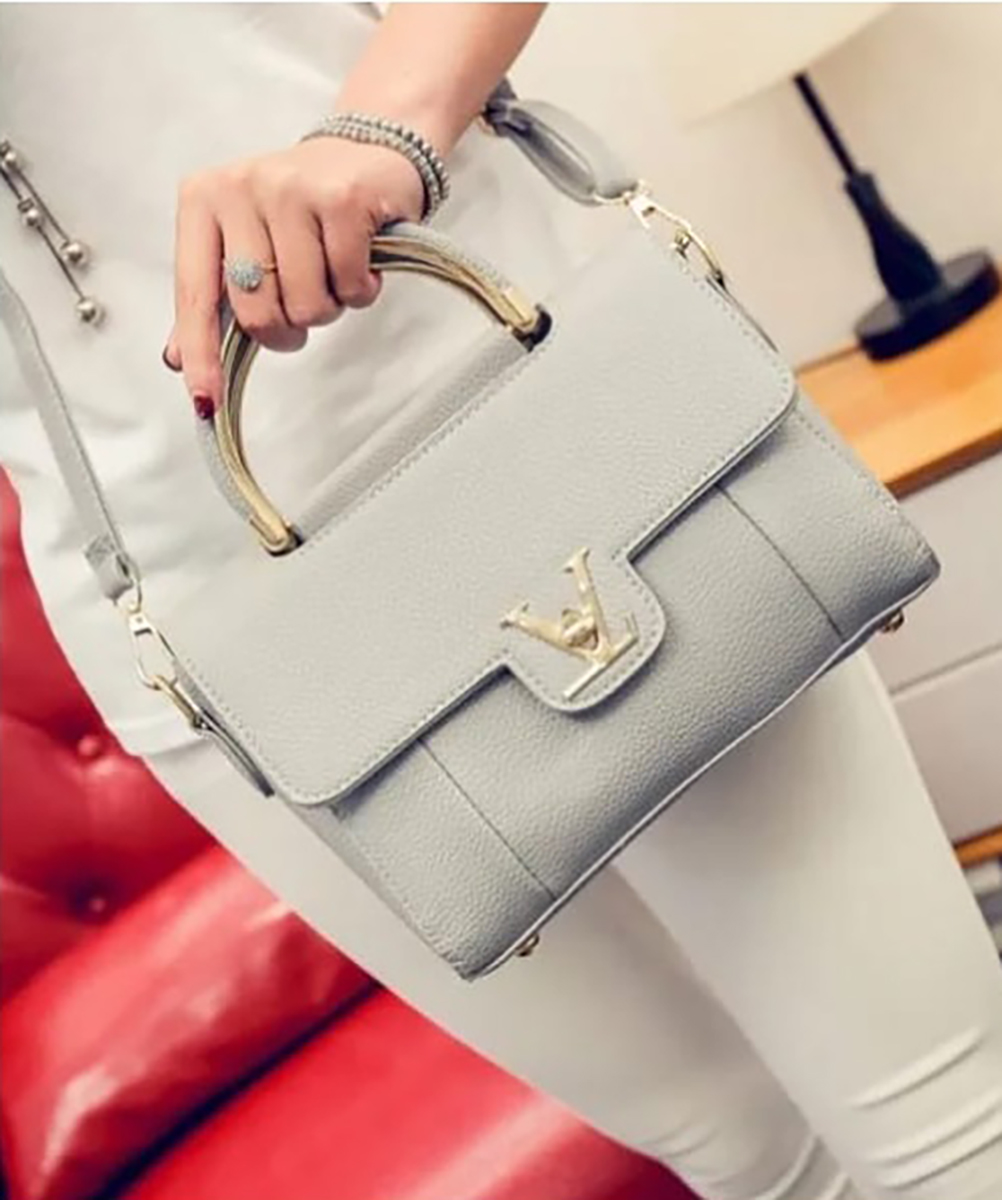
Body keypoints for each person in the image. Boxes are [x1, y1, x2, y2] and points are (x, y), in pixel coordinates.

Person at [2, 6, 1000, 1198]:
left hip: (496, 379)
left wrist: (383, 127)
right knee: (745, 1151)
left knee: (937, 1110)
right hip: (187, 624)